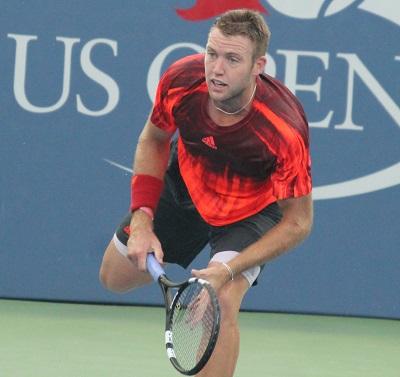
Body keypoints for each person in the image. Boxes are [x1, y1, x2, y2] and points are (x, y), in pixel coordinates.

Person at [100, 8, 313, 377]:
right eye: (212, 53)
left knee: (221, 301)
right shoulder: (183, 80)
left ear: (257, 65)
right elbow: (154, 139)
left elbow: (298, 223)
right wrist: (142, 218)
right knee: (114, 277)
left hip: (249, 213)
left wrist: (226, 270)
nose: (216, 68)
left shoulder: (282, 129)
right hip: (186, 188)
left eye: (232, 59)